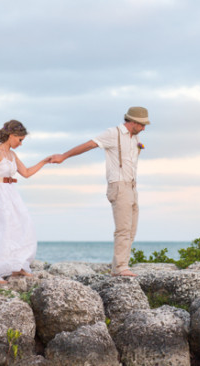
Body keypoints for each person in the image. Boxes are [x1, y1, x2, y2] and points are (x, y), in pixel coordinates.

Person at [50, 106, 150, 277]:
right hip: (119, 185)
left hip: (133, 186)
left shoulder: (136, 138)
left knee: (132, 229)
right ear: (132, 122)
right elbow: (89, 144)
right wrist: (63, 156)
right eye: (142, 124)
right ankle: (120, 268)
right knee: (123, 229)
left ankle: (118, 266)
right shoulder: (113, 133)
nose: (144, 128)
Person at [0, 120, 50, 284]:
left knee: (22, 226)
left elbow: (26, 172)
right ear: (11, 135)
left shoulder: (12, 155)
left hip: (11, 193)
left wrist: (44, 161)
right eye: (20, 139)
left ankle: (17, 266)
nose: (21, 143)